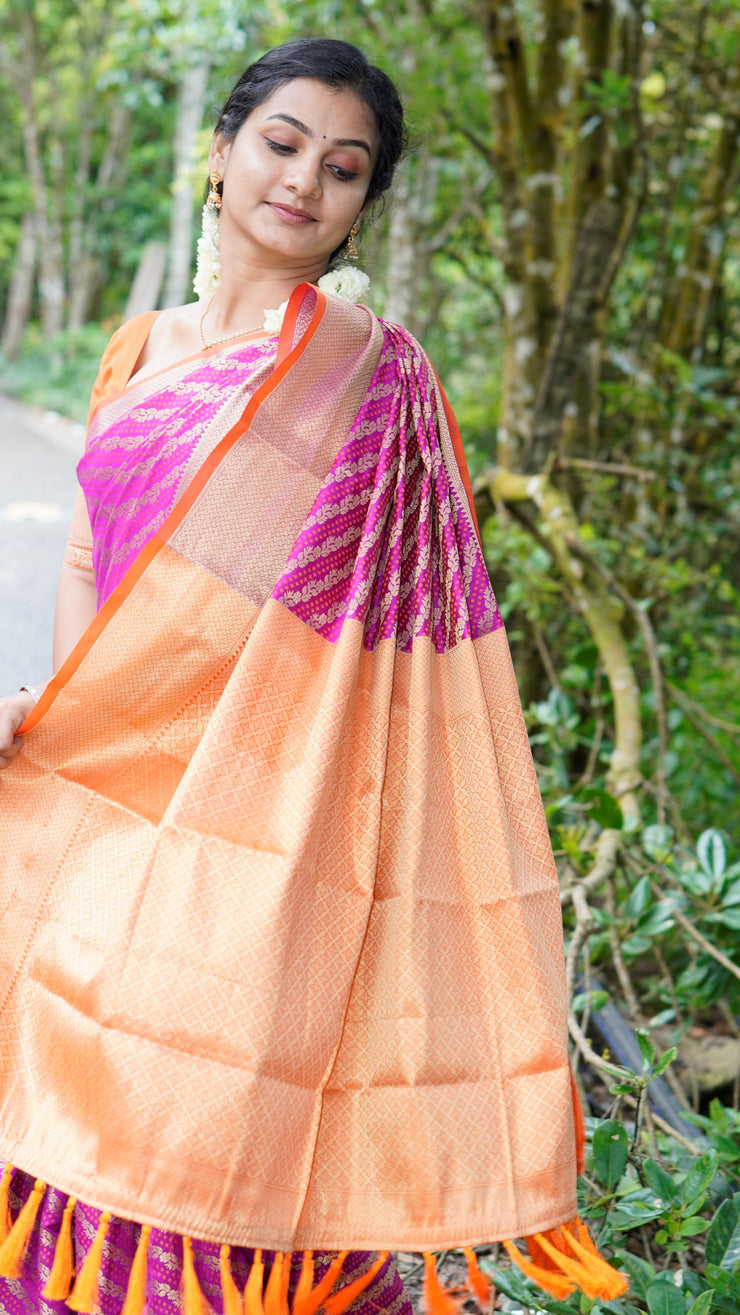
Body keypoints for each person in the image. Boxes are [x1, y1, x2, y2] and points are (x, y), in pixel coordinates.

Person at [0, 37, 627, 1315]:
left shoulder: (370, 385)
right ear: (222, 149)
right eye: (282, 144)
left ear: (359, 207)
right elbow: (86, 554)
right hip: (103, 800)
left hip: (258, 819)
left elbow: (380, 645)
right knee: (61, 1091)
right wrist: (66, 713)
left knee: (214, 1106)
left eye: (342, 169)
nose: (303, 181)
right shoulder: (136, 349)